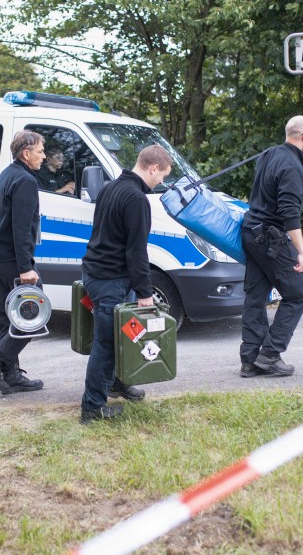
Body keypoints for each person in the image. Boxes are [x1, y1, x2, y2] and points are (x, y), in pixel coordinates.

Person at [79, 144, 173, 423]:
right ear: (152, 168)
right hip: (111, 280)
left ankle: (117, 383)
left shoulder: (110, 188)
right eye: (162, 176)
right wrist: (145, 293)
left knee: (126, 336)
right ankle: (92, 409)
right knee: (106, 345)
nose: (162, 182)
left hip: (98, 272)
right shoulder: (136, 199)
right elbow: (136, 251)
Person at [239, 116, 303, 378]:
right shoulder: (293, 166)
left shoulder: (269, 155)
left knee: (255, 297)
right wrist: (302, 252)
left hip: (251, 233)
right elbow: (289, 213)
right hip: (271, 238)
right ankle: (270, 355)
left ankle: (249, 360)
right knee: (297, 293)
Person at [0, 130, 47, 394]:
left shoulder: (6, 175)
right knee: (33, 317)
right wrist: (26, 267)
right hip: (14, 262)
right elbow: (21, 227)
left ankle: (11, 374)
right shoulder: (25, 181)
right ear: (26, 153)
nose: (44, 156)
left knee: (8, 317)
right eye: (40, 151)